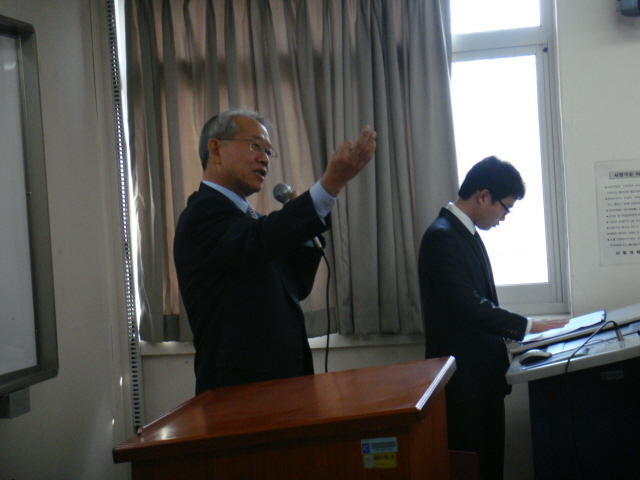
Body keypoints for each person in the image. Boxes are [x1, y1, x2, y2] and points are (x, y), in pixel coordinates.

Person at [174, 109, 376, 395]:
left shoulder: (249, 220)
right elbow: (259, 239)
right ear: (216, 149)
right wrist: (329, 186)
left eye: (268, 151)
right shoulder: (202, 214)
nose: (265, 159)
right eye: (255, 145)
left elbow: (296, 286)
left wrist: (304, 235)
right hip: (239, 394)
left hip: (282, 383)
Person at [418, 156, 568, 480]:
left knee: (489, 466)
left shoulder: (465, 233)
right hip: (464, 387)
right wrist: (527, 326)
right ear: (483, 195)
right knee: (474, 468)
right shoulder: (442, 236)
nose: (504, 217)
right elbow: (467, 305)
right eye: (505, 208)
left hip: (482, 382)